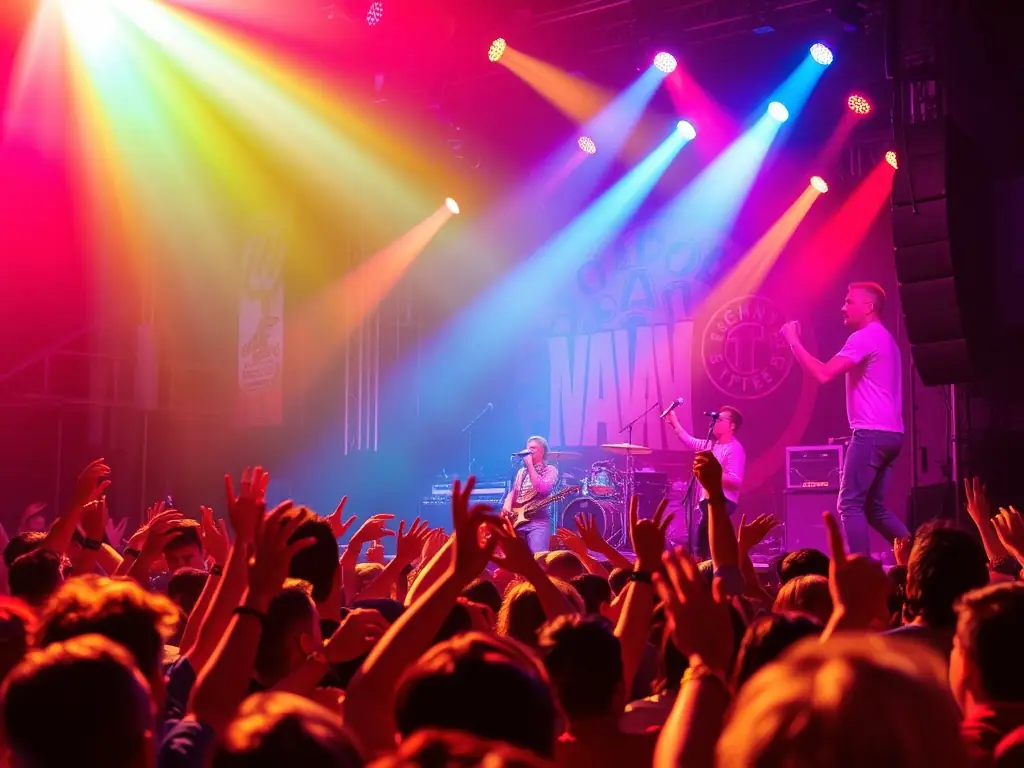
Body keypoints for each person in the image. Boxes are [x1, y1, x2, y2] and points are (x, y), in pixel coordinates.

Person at [781, 282, 909, 555]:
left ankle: (859, 572)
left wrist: (793, 341)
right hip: (892, 435)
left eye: (850, 302)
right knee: (873, 508)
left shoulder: (864, 337)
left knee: (849, 504)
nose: (843, 307)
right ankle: (922, 555)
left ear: (869, 307)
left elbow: (824, 374)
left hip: (871, 434)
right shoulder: (887, 339)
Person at [664, 406, 746, 560]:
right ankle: (702, 564)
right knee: (700, 535)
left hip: (724, 501)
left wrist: (712, 475)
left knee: (703, 536)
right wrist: (673, 421)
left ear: (732, 425)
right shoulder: (711, 445)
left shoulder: (735, 449)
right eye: (714, 419)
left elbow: (735, 482)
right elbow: (687, 439)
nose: (715, 423)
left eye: (720, 420)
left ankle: (706, 566)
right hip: (707, 502)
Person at [502, 436, 559, 554]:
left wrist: (530, 466)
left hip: (537, 520)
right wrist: (507, 505)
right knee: (515, 559)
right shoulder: (521, 472)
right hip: (517, 519)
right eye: (527, 448)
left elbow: (542, 489)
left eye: (533, 448)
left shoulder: (550, 470)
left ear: (542, 451)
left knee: (539, 558)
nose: (528, 451)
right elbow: (514, 492)